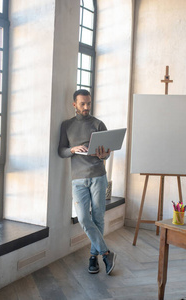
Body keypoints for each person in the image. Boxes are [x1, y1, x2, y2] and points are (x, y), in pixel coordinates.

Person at [58, 89, 117, 275]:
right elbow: (61, 151)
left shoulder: (98, 124)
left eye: (88, 103)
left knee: (98, 218)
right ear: (74, 104)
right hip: (78, 178)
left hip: (98, 176)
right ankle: (106, 253)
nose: (86, 107)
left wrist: (103, 154)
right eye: (82, 104)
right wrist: (73, 149)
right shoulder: (66, 125)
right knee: (83, 218)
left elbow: (107, 153)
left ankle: (93, 258)